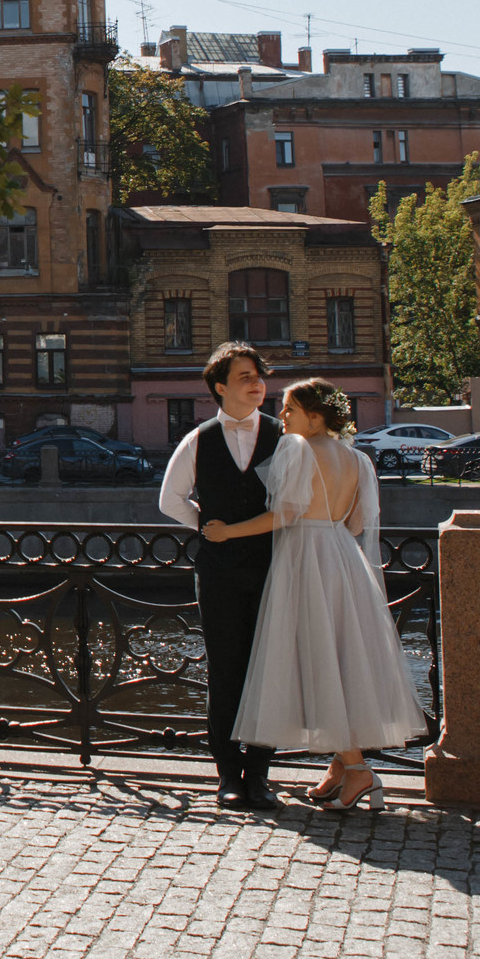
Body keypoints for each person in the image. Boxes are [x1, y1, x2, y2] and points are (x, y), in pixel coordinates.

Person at [202, 377, 428, 811]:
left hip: (305, 558)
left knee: (316, 659)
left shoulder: (298, 449)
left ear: (315, 415)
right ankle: (340, 770)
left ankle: (358, 769)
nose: (281, 416)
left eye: (289, 409)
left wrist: (228, 531)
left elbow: (283, 514)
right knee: (344, 658)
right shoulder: (359, 458)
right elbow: (359, 525)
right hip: (343, 559)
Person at [157, 341, 283, 811]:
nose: (257, 383)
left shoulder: (280, 434)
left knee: (267, 671)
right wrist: (208, 530)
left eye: (258, 375)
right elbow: (170, 500)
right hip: (220, 572)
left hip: (274, 567)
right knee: (226, 671)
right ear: (220, 387)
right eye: (246, 376)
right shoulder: (200, 439)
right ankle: (228, 776)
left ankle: (261, 778)